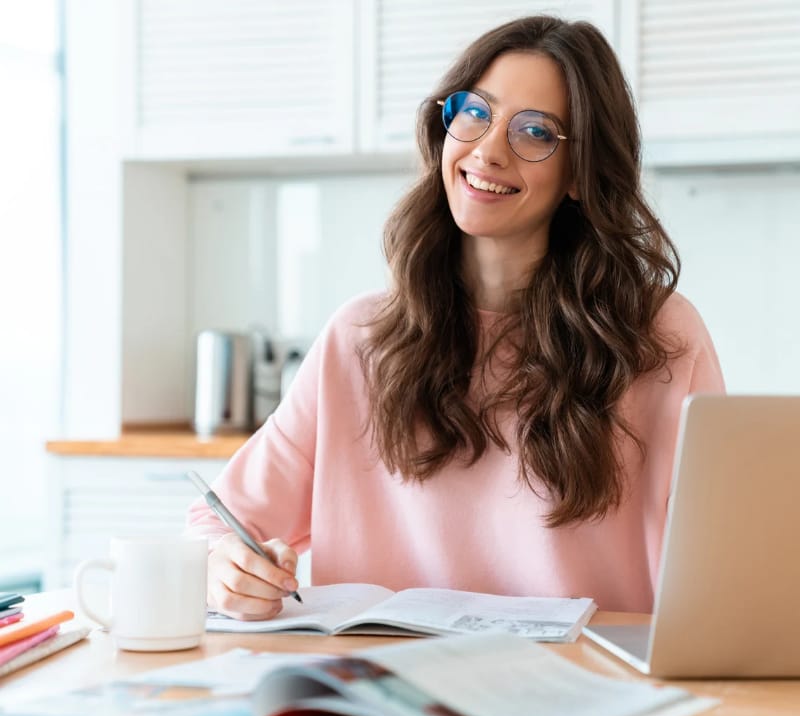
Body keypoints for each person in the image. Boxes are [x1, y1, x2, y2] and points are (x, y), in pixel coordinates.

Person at [186, 15, 724, 620]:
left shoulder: (660, 338)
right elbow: (218, 523)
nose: (489, 150)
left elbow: (724, 563)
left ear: (579, 173)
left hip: (582, 694)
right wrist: (222, 566)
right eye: (476, 112)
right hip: (389, 694)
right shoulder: (360, 340)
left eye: (536, 131)